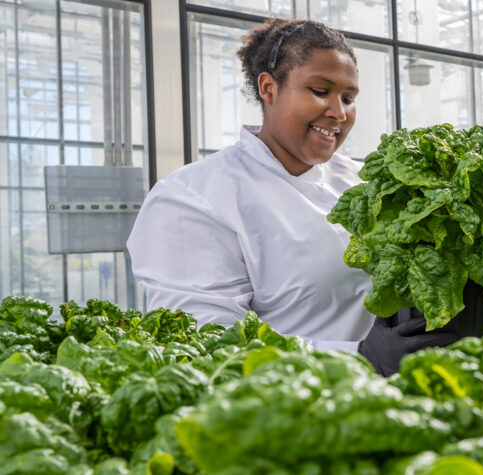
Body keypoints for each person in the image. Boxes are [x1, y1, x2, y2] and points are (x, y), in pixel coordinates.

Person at [126, 18, 457, 376]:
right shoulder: (193, 198)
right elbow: (208, 345)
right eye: (320, 90)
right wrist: (356, 356)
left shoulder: (363, 183)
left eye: (348, 98)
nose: (339, 112)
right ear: (268, 88)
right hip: (290, 413)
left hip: (398, 404)